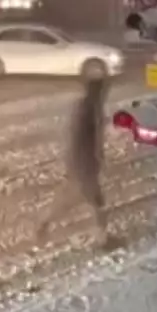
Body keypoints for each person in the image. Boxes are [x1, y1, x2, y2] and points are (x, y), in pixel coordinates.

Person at [36, 77, 109, 244]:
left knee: (74, 197)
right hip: (84, 163)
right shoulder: (90, 110)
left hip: (79, 161)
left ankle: (45, 222)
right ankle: (102, 239)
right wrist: (96, 159)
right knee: (94, 201)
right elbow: (90, 139)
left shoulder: (84, 107)